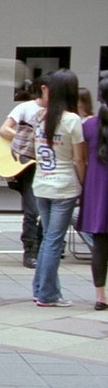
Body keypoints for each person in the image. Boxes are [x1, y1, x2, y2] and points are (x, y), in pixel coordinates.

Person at [32, 69, 87, 307]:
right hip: (64, 186)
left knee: (48, 239)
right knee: (54, 241)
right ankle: (48, 295)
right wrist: (84, 183)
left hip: (41, 183)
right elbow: (79, 159)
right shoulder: (72, 120)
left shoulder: (40, 117)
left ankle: (40, 289)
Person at [0, 73, 51, 268]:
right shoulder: (25, 108)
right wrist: (27, 139)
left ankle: (44, 247)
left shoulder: (59, 112)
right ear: (44, 88)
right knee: (32, 210)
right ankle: (30, 250)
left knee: (49, 210)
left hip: (49, 166)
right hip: (29, 166)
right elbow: (4, 129)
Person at [76, 78, 108, 311]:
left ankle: (100, 296)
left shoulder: (87, 126)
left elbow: (82, 159)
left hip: (97, 191)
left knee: (100, 246)